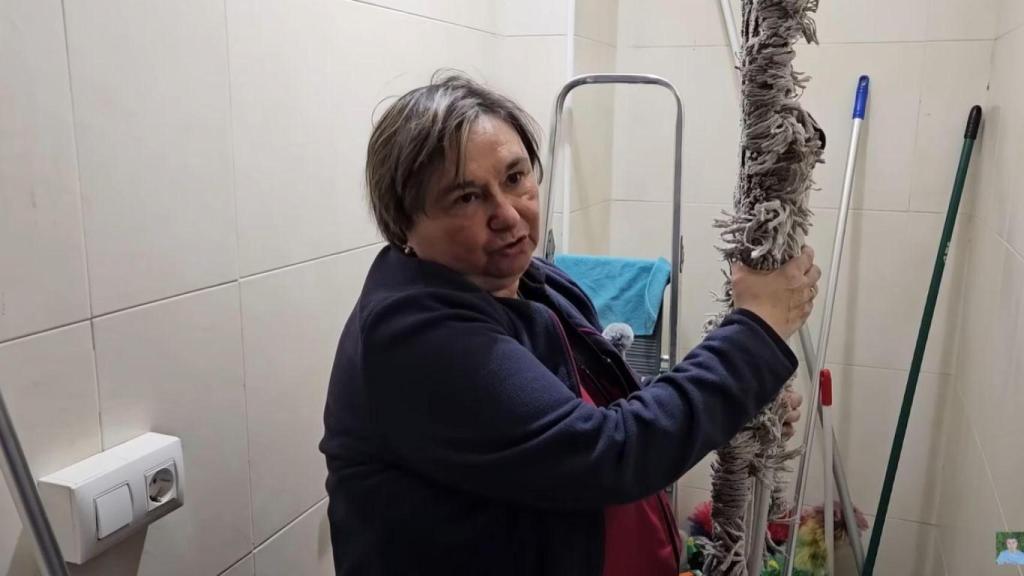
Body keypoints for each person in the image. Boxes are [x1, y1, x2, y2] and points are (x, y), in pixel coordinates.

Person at [319, 73, 820, 576]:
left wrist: (739, 402)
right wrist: (757, 329)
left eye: (515, 178)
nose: (509, 216)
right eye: (466, 198)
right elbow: (609, 452)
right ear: (403, 222)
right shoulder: (414, 334)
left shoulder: (538, 284)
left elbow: (594, 413)